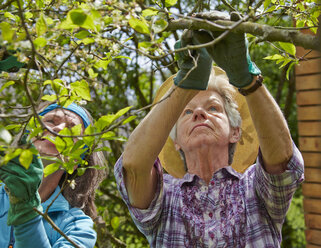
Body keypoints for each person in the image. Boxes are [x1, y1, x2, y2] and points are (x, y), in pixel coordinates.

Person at [114, 15, 304, 248]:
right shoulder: (164, 198)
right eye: (186, 112)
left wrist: (248, 80)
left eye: (213, 107)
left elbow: (283, 161)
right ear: (175, 142)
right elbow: (133, 168)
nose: (199, 114)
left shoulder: (255, 188)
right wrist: (184, 83)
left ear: (236, 131)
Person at [0, 103, 106, 248]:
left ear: (76, 161)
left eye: (71, 130)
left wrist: (26, 207)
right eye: (50, 121)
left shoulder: (78, 227)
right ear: (27, 136)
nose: (59, 129)